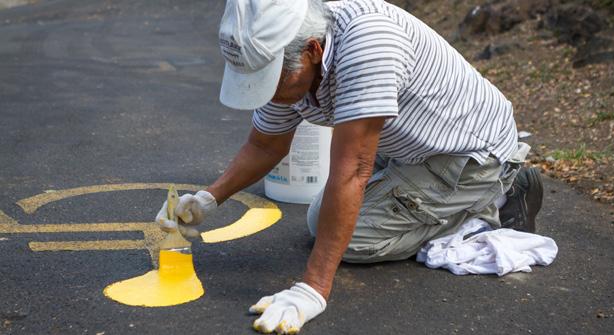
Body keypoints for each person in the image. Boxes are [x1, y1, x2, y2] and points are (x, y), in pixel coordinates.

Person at [156, 0, 543, 333]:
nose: (267, 93)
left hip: (468, 155)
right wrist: (208, 199)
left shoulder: (367, 45)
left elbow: (353, 170)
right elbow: (264, 144)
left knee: (350, 239)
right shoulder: (284, 52)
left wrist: (313, 288)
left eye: (272, 81)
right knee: (325, 220)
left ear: (312, 51)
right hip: (408, 143)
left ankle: (498, 193)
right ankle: (459, 197)